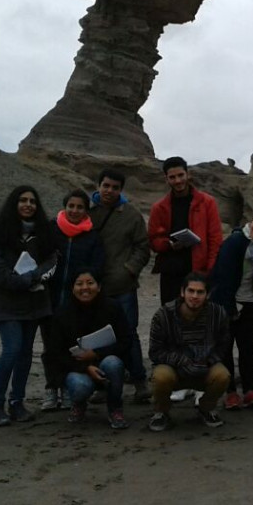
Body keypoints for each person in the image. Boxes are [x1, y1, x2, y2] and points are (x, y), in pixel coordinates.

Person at [0, 185, 57, 427]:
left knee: (25, 354)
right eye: (23, 200)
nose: (28, 205)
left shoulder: (44, 232)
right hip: (7, 303)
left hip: (35, 302)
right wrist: (25, 281)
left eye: (32, 201)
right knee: (11, 350)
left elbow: (52, 260)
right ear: (14, 204)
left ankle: (17, 402)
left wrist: (35, 276)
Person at [88, 168, 152, 403]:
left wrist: (129, 270)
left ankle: (139, 381)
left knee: (129, 334)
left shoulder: (131, 215)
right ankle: (100, 384)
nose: (110, 191)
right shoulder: (88, 212)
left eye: (115, 187)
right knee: (95, 337)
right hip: (93, 289)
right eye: (106, 185)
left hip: (123, 287)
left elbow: (142, 247)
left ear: (121, 190)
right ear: (99, 185)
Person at [40, 189, 106, 411]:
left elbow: (97, 266)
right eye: (71, 206)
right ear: (64, 206)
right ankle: (51, 388)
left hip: (76, 301)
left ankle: (69, 388)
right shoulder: (51, 230)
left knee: (73, 346)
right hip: (49, 299)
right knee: (50, 346)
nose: (75, 210)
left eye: (80, 207)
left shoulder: (92, 236)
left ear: (86, 211)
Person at [43, 271, 133, 429]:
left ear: (99, 286)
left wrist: (97, 354)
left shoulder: (112, 307)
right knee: (80, 386)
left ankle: (115, 409)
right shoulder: (62, 313)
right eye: (79, 284)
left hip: (105, 362)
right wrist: (85, 367)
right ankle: (79, 404)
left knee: (113, 364)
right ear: (72, 288)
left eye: (90, 283)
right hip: (76, 367)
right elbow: (55, 353)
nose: (85, 288)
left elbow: (126, 341)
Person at [146, 272, 231, 432]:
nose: (195, 296)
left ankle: (206, 409)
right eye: (191, 291)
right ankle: (161, 412)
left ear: (208, 294)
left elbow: (223, 346)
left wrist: (208, 361)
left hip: (204, 365)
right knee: (160, 376)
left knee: (222, 375)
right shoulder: (163, 315)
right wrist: (182, 361)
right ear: (182, 292)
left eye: (200, 292)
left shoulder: (218, 314)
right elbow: (155, 352)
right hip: (173, 367)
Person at [208, 209, 253, 410]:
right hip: (229, 303)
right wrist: (229, 307)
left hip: (250, 303)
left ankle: (249, 391)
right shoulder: (235, 241)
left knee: (247, 349)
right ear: (250, 222)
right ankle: (231, 392)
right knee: (225, 349)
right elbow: (222, 276)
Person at [148, 156, 224, 305]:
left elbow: (215, 239)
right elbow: (153, 240)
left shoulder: (207, 203)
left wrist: (209, 271)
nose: (177, 181)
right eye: (172, 177)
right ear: (166, 179)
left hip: (197, 271)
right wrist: (168, 244)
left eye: (180, 175)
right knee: (170, 317)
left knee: (198, 319)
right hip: (170, 273)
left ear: (188, 174)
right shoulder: (159, 207)